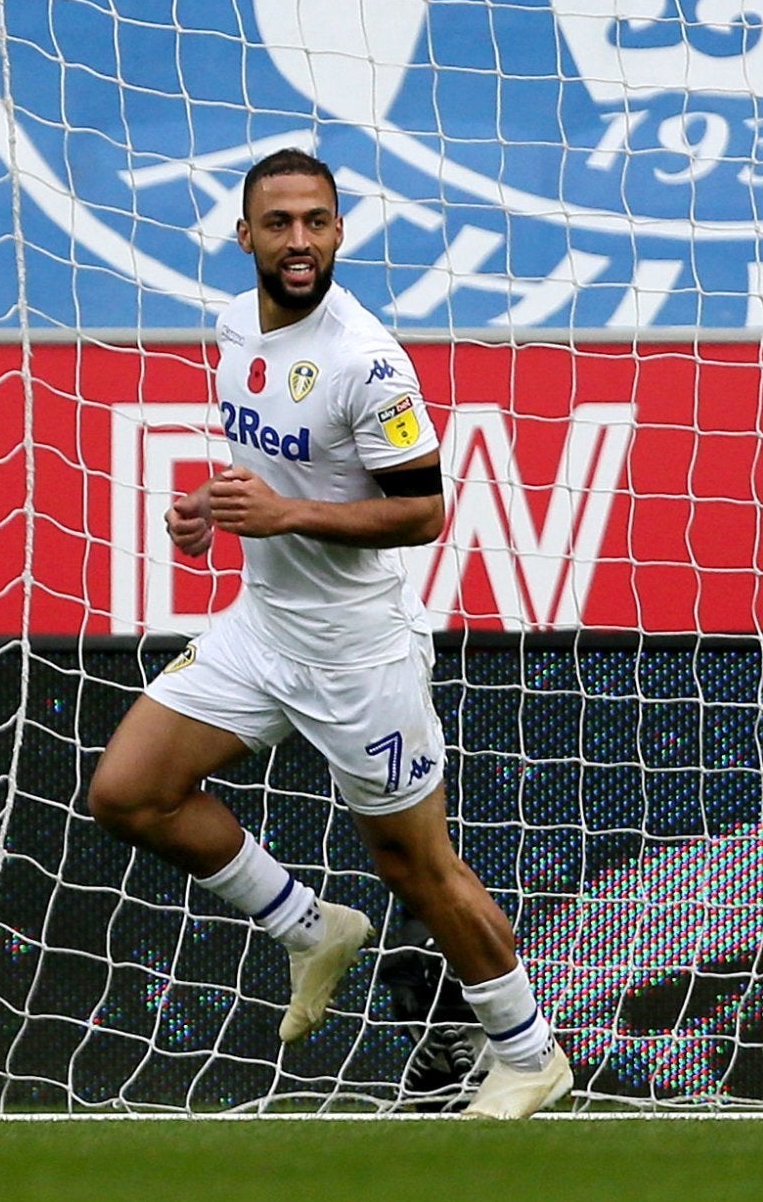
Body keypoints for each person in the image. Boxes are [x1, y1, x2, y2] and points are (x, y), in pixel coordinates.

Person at [87, 148, 572, 1119]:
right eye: (280, 223)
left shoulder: (368, 360)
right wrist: (210, 509)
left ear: (341, 230)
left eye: (316, 220)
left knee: (416, 865)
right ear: (246, 236)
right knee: (129, 791)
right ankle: (309, 925)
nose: (299, 240)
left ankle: (527, 1049)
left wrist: (282, 518)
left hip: (359, 653)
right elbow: (271, 470)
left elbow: (423, 511)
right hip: (262, 627)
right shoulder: (231, 327)